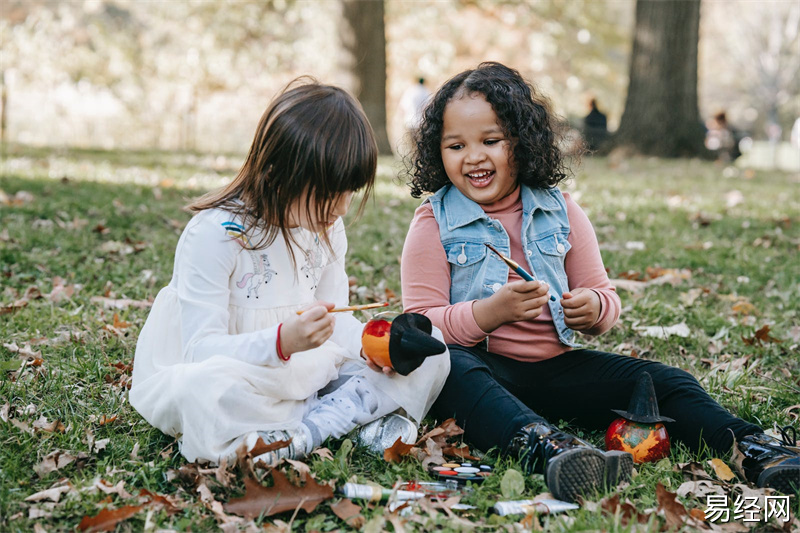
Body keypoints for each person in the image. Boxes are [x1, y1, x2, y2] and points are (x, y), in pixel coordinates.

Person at [401, 62, 799, 502]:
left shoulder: (561, 211)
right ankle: (549, 448)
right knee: (452, 369)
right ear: (437, 152)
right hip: (484, 374)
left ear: (523, 142)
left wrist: (592, 308)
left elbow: (603, 296)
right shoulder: (433, 221)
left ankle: (756, 449)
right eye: (455, 145)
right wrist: (488, 314)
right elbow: (420, 327)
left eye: (491, 141)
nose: (473, 156)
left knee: (665, 382)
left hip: (559, 370)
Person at [130, 80, 449, 464]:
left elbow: (333, 325)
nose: (342, 208)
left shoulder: (327, 229)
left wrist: (375, 343)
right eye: (331, 193)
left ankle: (304, 432)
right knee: (202, 392)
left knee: (436, 352)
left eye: (350, 191)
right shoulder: (216, 235)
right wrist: (280, 343)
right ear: (281, 173)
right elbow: (199, 351)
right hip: (244, 377)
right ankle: (341, 420)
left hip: (308, 374)